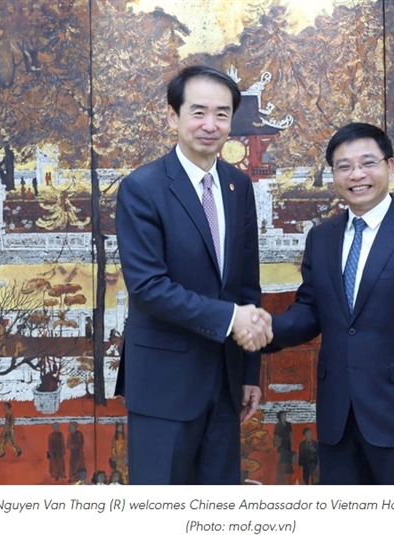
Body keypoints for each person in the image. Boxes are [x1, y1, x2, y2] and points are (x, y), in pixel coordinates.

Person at [262, 123, 394, 485]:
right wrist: (257, 329)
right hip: (338, 419)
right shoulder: (322, 238)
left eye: (367, 163)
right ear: (334, 174)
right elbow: (310, 312)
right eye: (344, 166)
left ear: (390, 165)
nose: (356, 175)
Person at [113, 65, 271, 485]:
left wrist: (249, 373)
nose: (210, 124)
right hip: (164, 385)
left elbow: (246, 284)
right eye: (198, 112)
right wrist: (230, 318)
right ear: (173, 116)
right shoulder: (142, 187)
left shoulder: (238, 186)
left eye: (221, 114)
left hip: (225, 383)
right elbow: (148, 287)